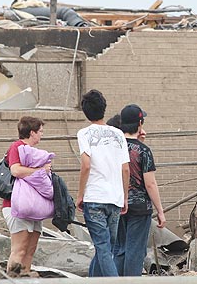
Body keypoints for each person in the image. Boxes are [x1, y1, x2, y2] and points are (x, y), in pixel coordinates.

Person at [76, 89, 130, 277]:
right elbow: (125, 169)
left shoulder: (84, 133)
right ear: (104, 109)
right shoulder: (119, 134)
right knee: (107, 248)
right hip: (115, 198)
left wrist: (80, 194)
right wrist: (125, 197)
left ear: (85, 111)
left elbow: (86, 165)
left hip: (94, 198)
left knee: (103, 248)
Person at [112, 104, 166, 276]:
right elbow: (150, 184)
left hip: (117, 203)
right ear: (140, 124)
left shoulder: (113, 148)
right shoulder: (144, 151)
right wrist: (160, 211)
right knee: (135, 250)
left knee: (120, 249)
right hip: (139, 207)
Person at [2, 116, 51, 273]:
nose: (42, 135)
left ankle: (26, 277)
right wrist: (40, 171)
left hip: (33, 207)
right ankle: (11, 279)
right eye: (40, 131)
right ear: (32, 132)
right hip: (16, 206)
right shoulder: (16, 147)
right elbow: (15, 170)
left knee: (30, 251)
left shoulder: (36, 153)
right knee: (19, 250)